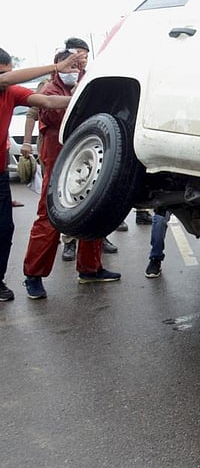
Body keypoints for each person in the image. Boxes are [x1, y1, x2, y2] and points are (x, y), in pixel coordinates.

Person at [21, 49, 121, 300]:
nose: (75, 70)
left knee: (94, 209)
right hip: (58, 163)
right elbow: (51, 113)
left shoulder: (88, 83)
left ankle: (90, 268)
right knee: (49, 217)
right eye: (70, 66)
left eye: (79, 65)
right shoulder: (49, 90)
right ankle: (33, 275)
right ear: (58, 66)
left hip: (86, 158)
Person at [0, 47, 83, 301]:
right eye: (5, 73)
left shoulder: (10, 92)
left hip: (0, 175)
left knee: (5, 229)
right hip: (47, 160)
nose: (8, 78)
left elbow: (47, 102)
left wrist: (82, 97)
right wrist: (55, 68)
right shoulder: (6, 83)